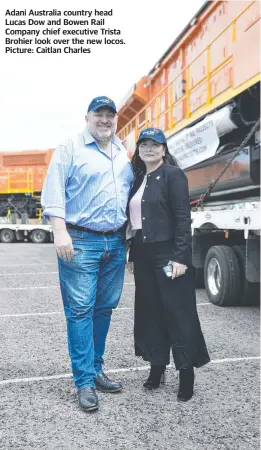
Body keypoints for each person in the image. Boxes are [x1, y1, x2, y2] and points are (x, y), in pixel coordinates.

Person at [41, 96, 134, 412]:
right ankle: (83, 382)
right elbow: (53, 191)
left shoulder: (122, 151)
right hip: (80, 240)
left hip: (115, 242)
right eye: (99, 114)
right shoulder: (70, 147)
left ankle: (95, 370)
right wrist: (59, 230)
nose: (105, 119)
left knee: (104, 308)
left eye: (110, 114)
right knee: (80, 310)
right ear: (87, 117)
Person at [127, 127, 210, 401]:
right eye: (144, 144)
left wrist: (179, 257)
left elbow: (183, 218)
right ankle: (157, 367)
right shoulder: (138, 178)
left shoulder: (173, 176)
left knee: (178, 312)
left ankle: (186, 373)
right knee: (150, 312)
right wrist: (132, 254)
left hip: (167, 254)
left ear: (164, 149)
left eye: (155, 144)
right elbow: (136, 223)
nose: (149, 148)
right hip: (143, 254)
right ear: (138, 150)